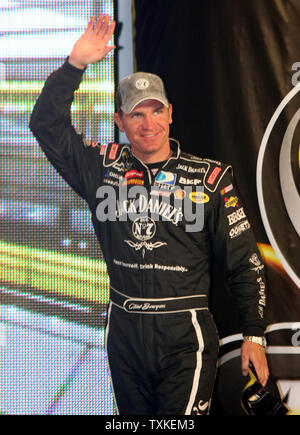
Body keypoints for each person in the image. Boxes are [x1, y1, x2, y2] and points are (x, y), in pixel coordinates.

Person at [29, 14, 269, 415]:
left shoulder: (210, 179)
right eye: (136, 114)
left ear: (170, 114)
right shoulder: (100, 167)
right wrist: (75, 64)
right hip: (123, 330)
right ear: (120, 121)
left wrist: (255, 336)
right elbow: (45, 124)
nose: (148, 123)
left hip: (185, 332)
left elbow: (244, 262)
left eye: (156, 111)